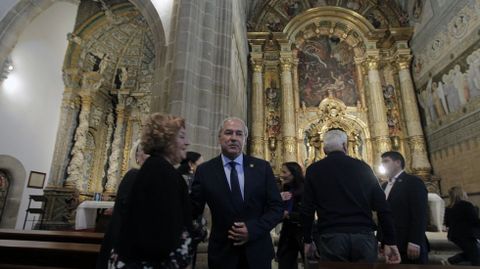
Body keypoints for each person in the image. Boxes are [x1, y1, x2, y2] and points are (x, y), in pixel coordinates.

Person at [190, 117, 283, 269]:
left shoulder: (262, 168)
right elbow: (193, 209)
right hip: (222, 255)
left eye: (239, 134)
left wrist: (252, 230)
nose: (233, 138)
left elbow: (277, 208)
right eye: (228, 133)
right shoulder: (205, 170)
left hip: (257, 252)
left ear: (245, 139)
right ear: (219, 137)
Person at [301, 129, 401, 264]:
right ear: (345, 146)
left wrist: (307, 239)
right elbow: (382, 206)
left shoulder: (314, 170)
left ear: (324, 149)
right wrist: (390, 240)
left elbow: (307, 209)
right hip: (363, 235)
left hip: (331, 236)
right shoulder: (363, 168)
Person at [112, 113, 193, 269]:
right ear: (167, 140)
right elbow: (165, 235)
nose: (187, 143)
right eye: (182, 137)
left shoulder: (153, 168)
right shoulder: (164, 174)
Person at [96, 140, 149, 268]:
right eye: (147, 153)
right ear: (137, 157)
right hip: (123, 241)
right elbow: (129, 209)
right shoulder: (134, 175)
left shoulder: (142, 176)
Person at [380, 151, 429, 264]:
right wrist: (383, 241)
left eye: (386, 161)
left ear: (398, 162)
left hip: (408, 242)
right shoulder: (384, 185)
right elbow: (384, 215)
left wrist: (415, 241)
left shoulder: (413, 182)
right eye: (382, 162)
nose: (383, 164)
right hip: (391, 243)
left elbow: (420, 213)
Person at [177, 151, 206, 269]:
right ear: (191, 164)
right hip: (186, 232)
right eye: (201, 165)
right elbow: (193, 209)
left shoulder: (176, 176)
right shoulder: (190, 180)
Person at [277, 162, 305, 269]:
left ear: (294, 173)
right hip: (288, 233)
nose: (281, 175)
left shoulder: (305, 188)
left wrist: (289, 215)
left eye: (284, 172)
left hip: (303, 233)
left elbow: (307, 213)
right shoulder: (285, 188)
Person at [444, 186, 480, 265]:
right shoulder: (467, 205)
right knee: (476, 256)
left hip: (454, 236)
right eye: (464, 192)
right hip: (467, 236)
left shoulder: (448, 208)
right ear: (461, 194)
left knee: (473, 252)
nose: (466, 193)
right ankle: (451, 261)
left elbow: (447, 224)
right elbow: (475, 221)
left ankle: (451, 261)